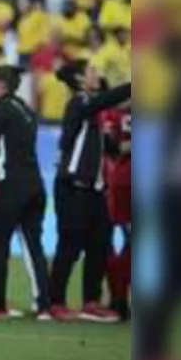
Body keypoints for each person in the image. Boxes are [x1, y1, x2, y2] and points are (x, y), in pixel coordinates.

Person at [49, 61, 131, 323]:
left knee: (99, 244)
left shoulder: (93, 110)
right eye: (92, 72)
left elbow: (107, 146)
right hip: (72, 187)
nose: (98, 76)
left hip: (94, 189)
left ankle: (91, 301)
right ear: (79, 79)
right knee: (69, 246)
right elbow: (106, 99)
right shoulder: (80, 102)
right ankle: (55, 301)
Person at [0, 65, 53, 320]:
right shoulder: (26, 110)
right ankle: (43, 304)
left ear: (1, 85)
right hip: (35, 183)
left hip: (10, 185)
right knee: (33, 245)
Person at [102, 102, 131, 321]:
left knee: (108, 240)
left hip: (118, 178)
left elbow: (110, 146)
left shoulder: (113, 113)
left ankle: (117, 298)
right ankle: (120, 299)